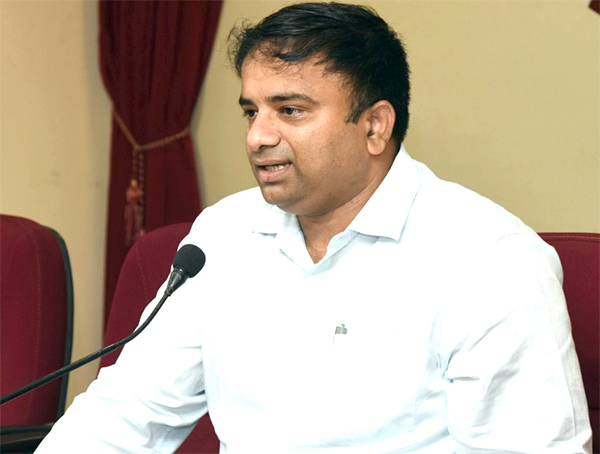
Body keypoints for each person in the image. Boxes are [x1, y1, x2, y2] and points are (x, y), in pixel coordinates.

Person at [36, 2, 592, 453]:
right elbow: (127, 412)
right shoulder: (223, 234)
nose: (258, 136)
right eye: (251, 111)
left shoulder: (487, 258)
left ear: (374, 126)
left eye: (290, 110)